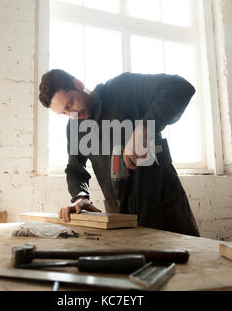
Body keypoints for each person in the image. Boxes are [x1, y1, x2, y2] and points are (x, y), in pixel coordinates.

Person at [39, 69, 200, 236]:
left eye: (70, 104)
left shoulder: (123, 87)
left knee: (190, 260)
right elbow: (75, 169)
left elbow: (180, 86)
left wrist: (144, 129)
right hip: (120, 219)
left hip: (165, 208)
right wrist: (81, 197)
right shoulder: (75, 127)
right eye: (64, 113)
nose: (72, 115)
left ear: (78, 84)